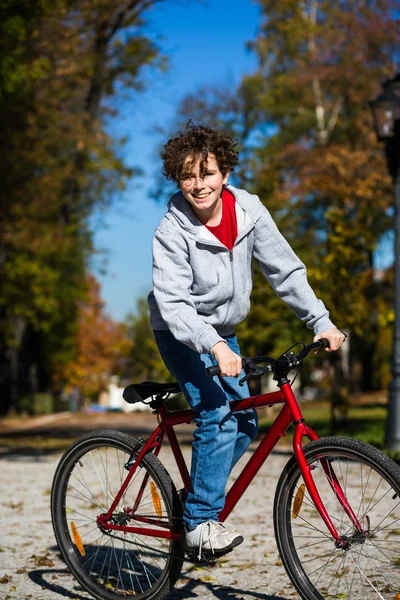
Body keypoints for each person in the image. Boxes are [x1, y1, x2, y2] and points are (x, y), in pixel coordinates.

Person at [147, 122, 345, 560]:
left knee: (245, 423)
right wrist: (213, 346)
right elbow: (175, 305)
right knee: (216, 412)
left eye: (207, 173)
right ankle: (199, 523)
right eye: (188, 175)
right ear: (178, 179)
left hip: (222, 332)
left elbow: (285, 271)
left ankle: (197, 495)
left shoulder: (250, 212)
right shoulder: (171, 231)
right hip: (180, 331)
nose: (198, 185)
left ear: (226, 174)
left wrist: (320, 320)